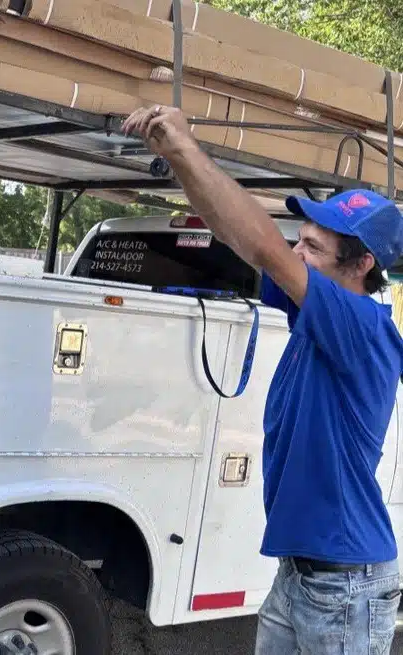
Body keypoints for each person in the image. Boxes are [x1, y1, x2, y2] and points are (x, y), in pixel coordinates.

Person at [123, 105, 403, 654]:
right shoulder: (319, 316)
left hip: (345, 587)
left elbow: (267, 250)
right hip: (300, 576)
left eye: (313, 248)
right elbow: (236, 235)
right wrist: (178, 159)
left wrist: (187, 145)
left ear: (361, 265)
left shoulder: (361, 326)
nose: (297, 252)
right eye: (301, 240)